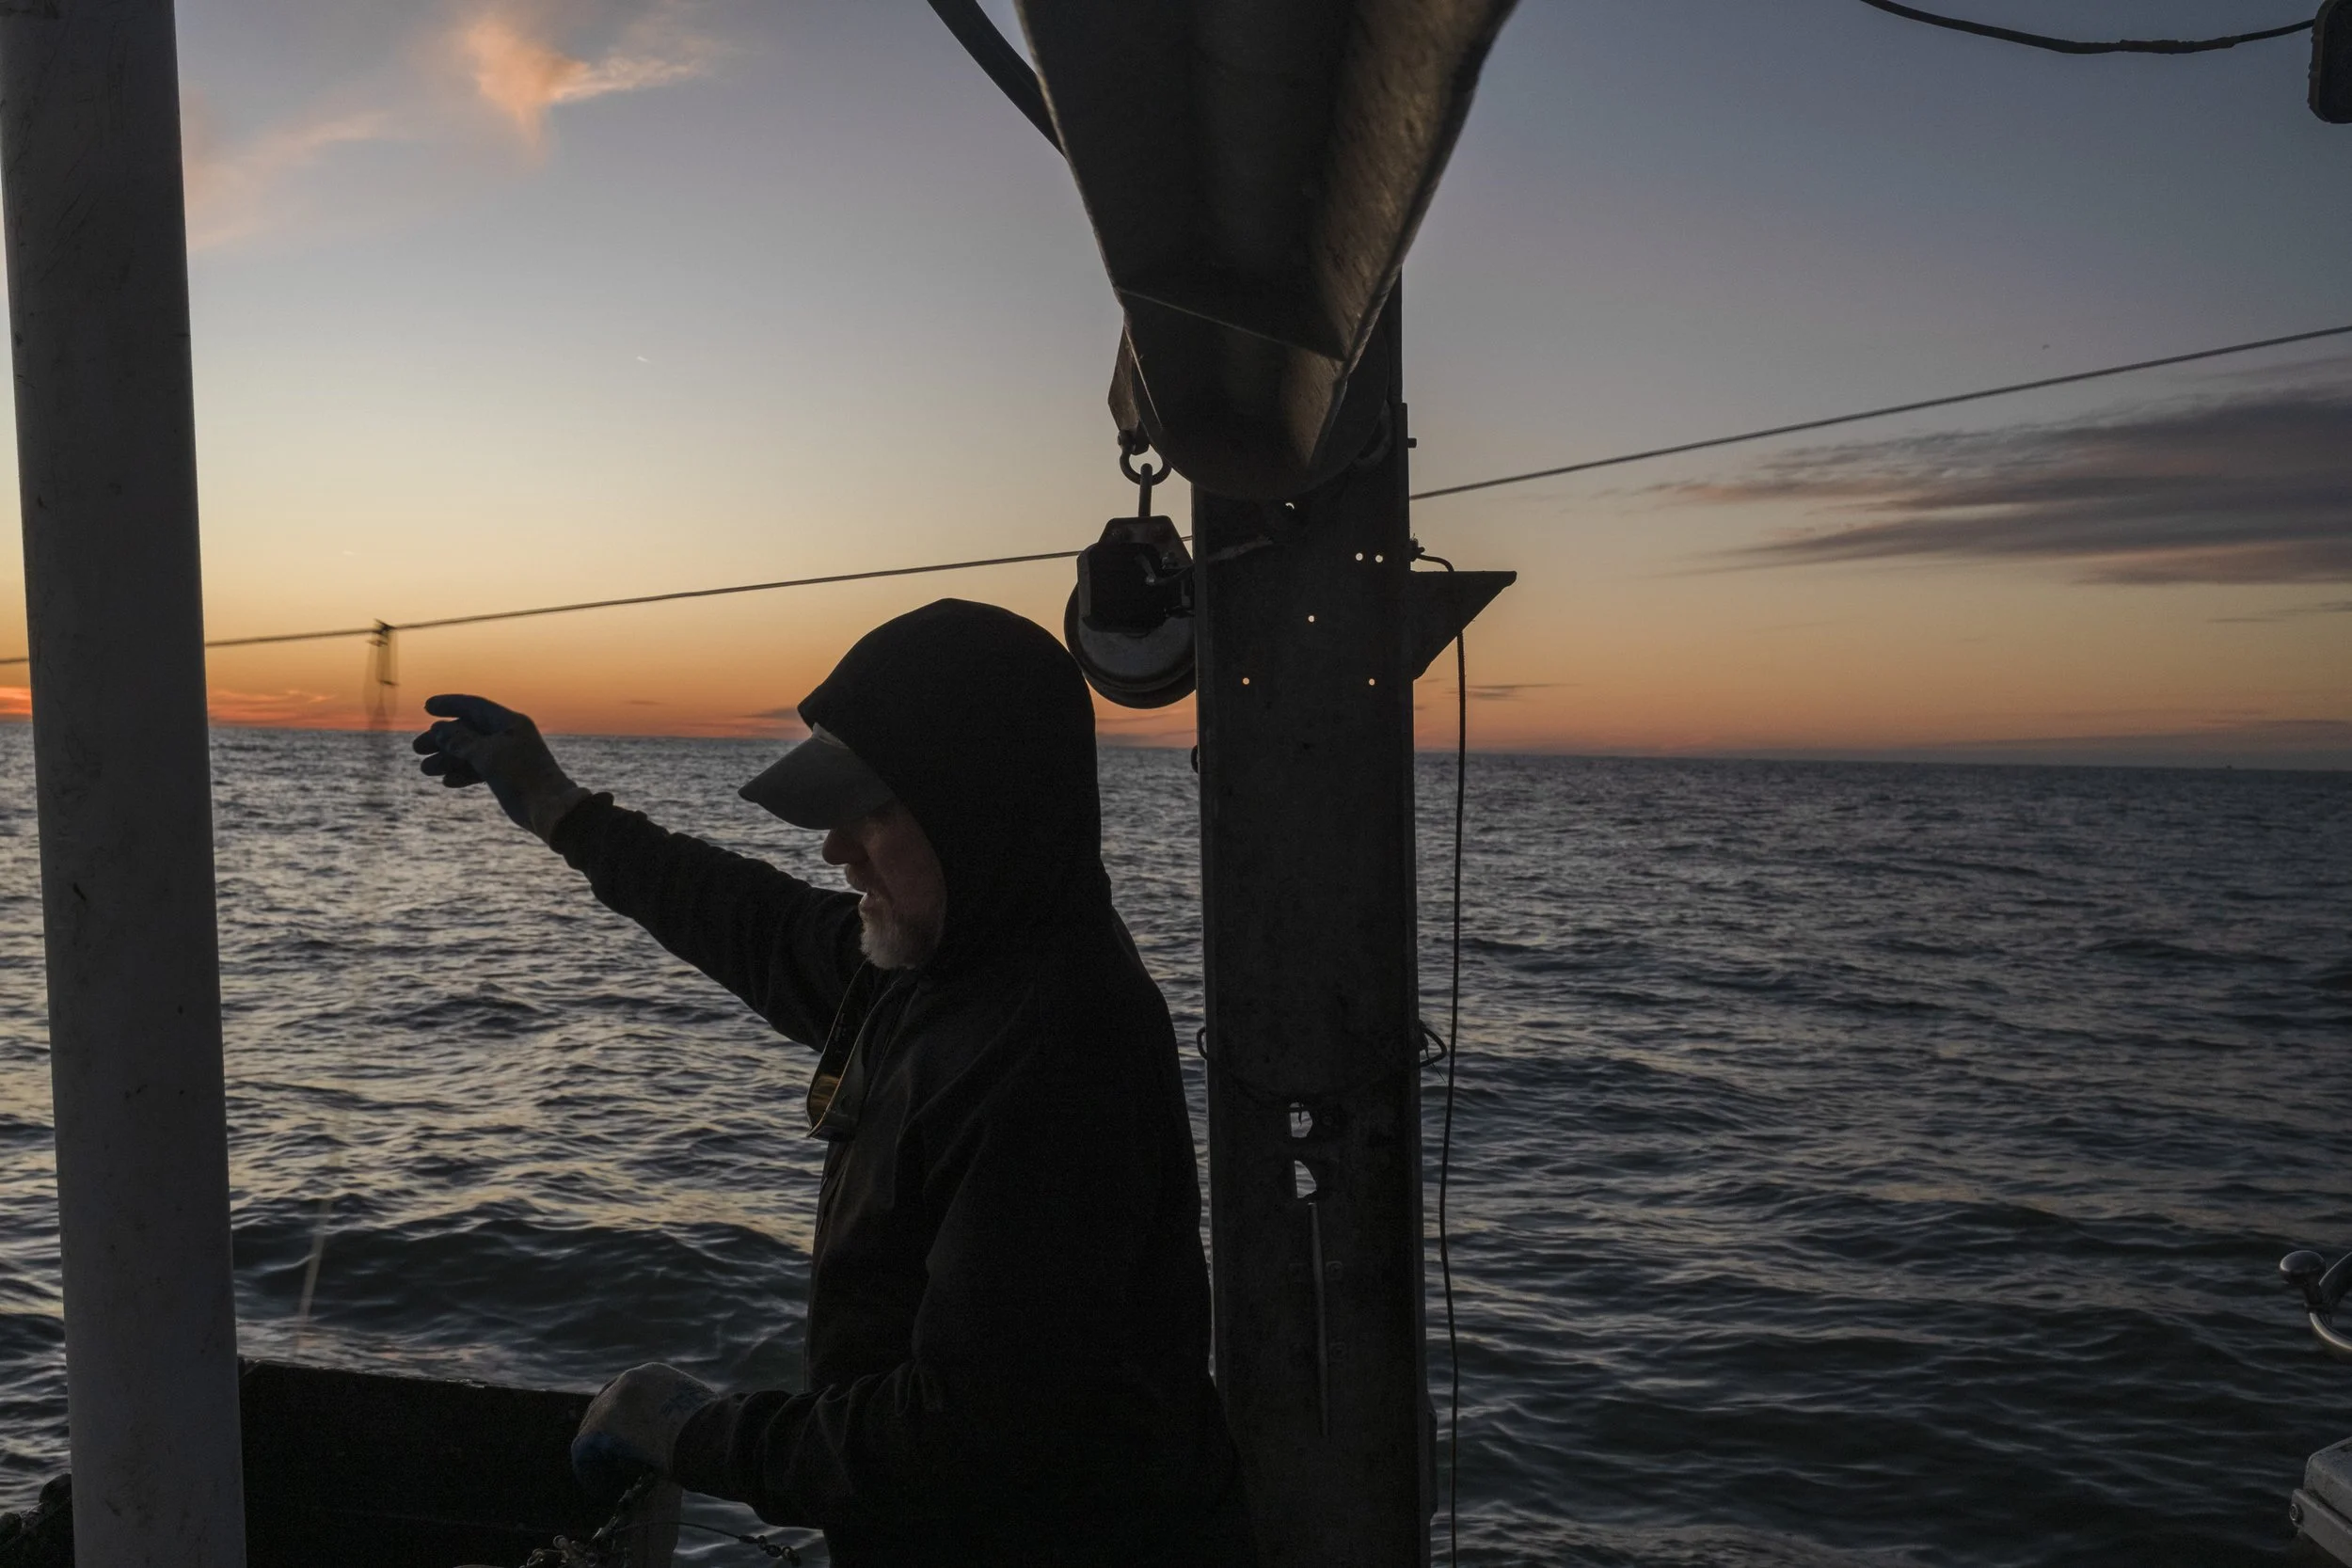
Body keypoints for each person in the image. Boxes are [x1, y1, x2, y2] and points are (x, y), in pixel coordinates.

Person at [412, 599, 1254, 1567]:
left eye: (875, 809)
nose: (835, 846)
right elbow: (755, 923)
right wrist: (559, 806)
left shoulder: (1060, 1053)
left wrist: (694, 1432)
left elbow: (968, 1438)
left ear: (983, 805)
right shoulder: (944, 965)